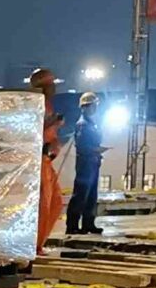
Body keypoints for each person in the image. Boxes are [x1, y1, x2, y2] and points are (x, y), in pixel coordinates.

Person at [27, 67, 65, 252]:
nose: (54, 88)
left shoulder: (46, 106)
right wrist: (53, 123)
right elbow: (32, 132)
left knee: (55, 201)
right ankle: (35, 245)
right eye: (51, 84)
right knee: (43, 203)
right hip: (39, 160)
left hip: (47, 160)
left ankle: (38, 243)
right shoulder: (34, 106)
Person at [67, 91, 105, 235]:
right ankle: (72, 225)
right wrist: (95, 150)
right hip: (85, 162)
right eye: (93, 105)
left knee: (91, 195)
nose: (95, 108)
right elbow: (82, 146)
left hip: (93, 161)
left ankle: (88, 223)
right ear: (85, 107)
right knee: (81, 194)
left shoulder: (91, 124)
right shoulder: (83, 124)